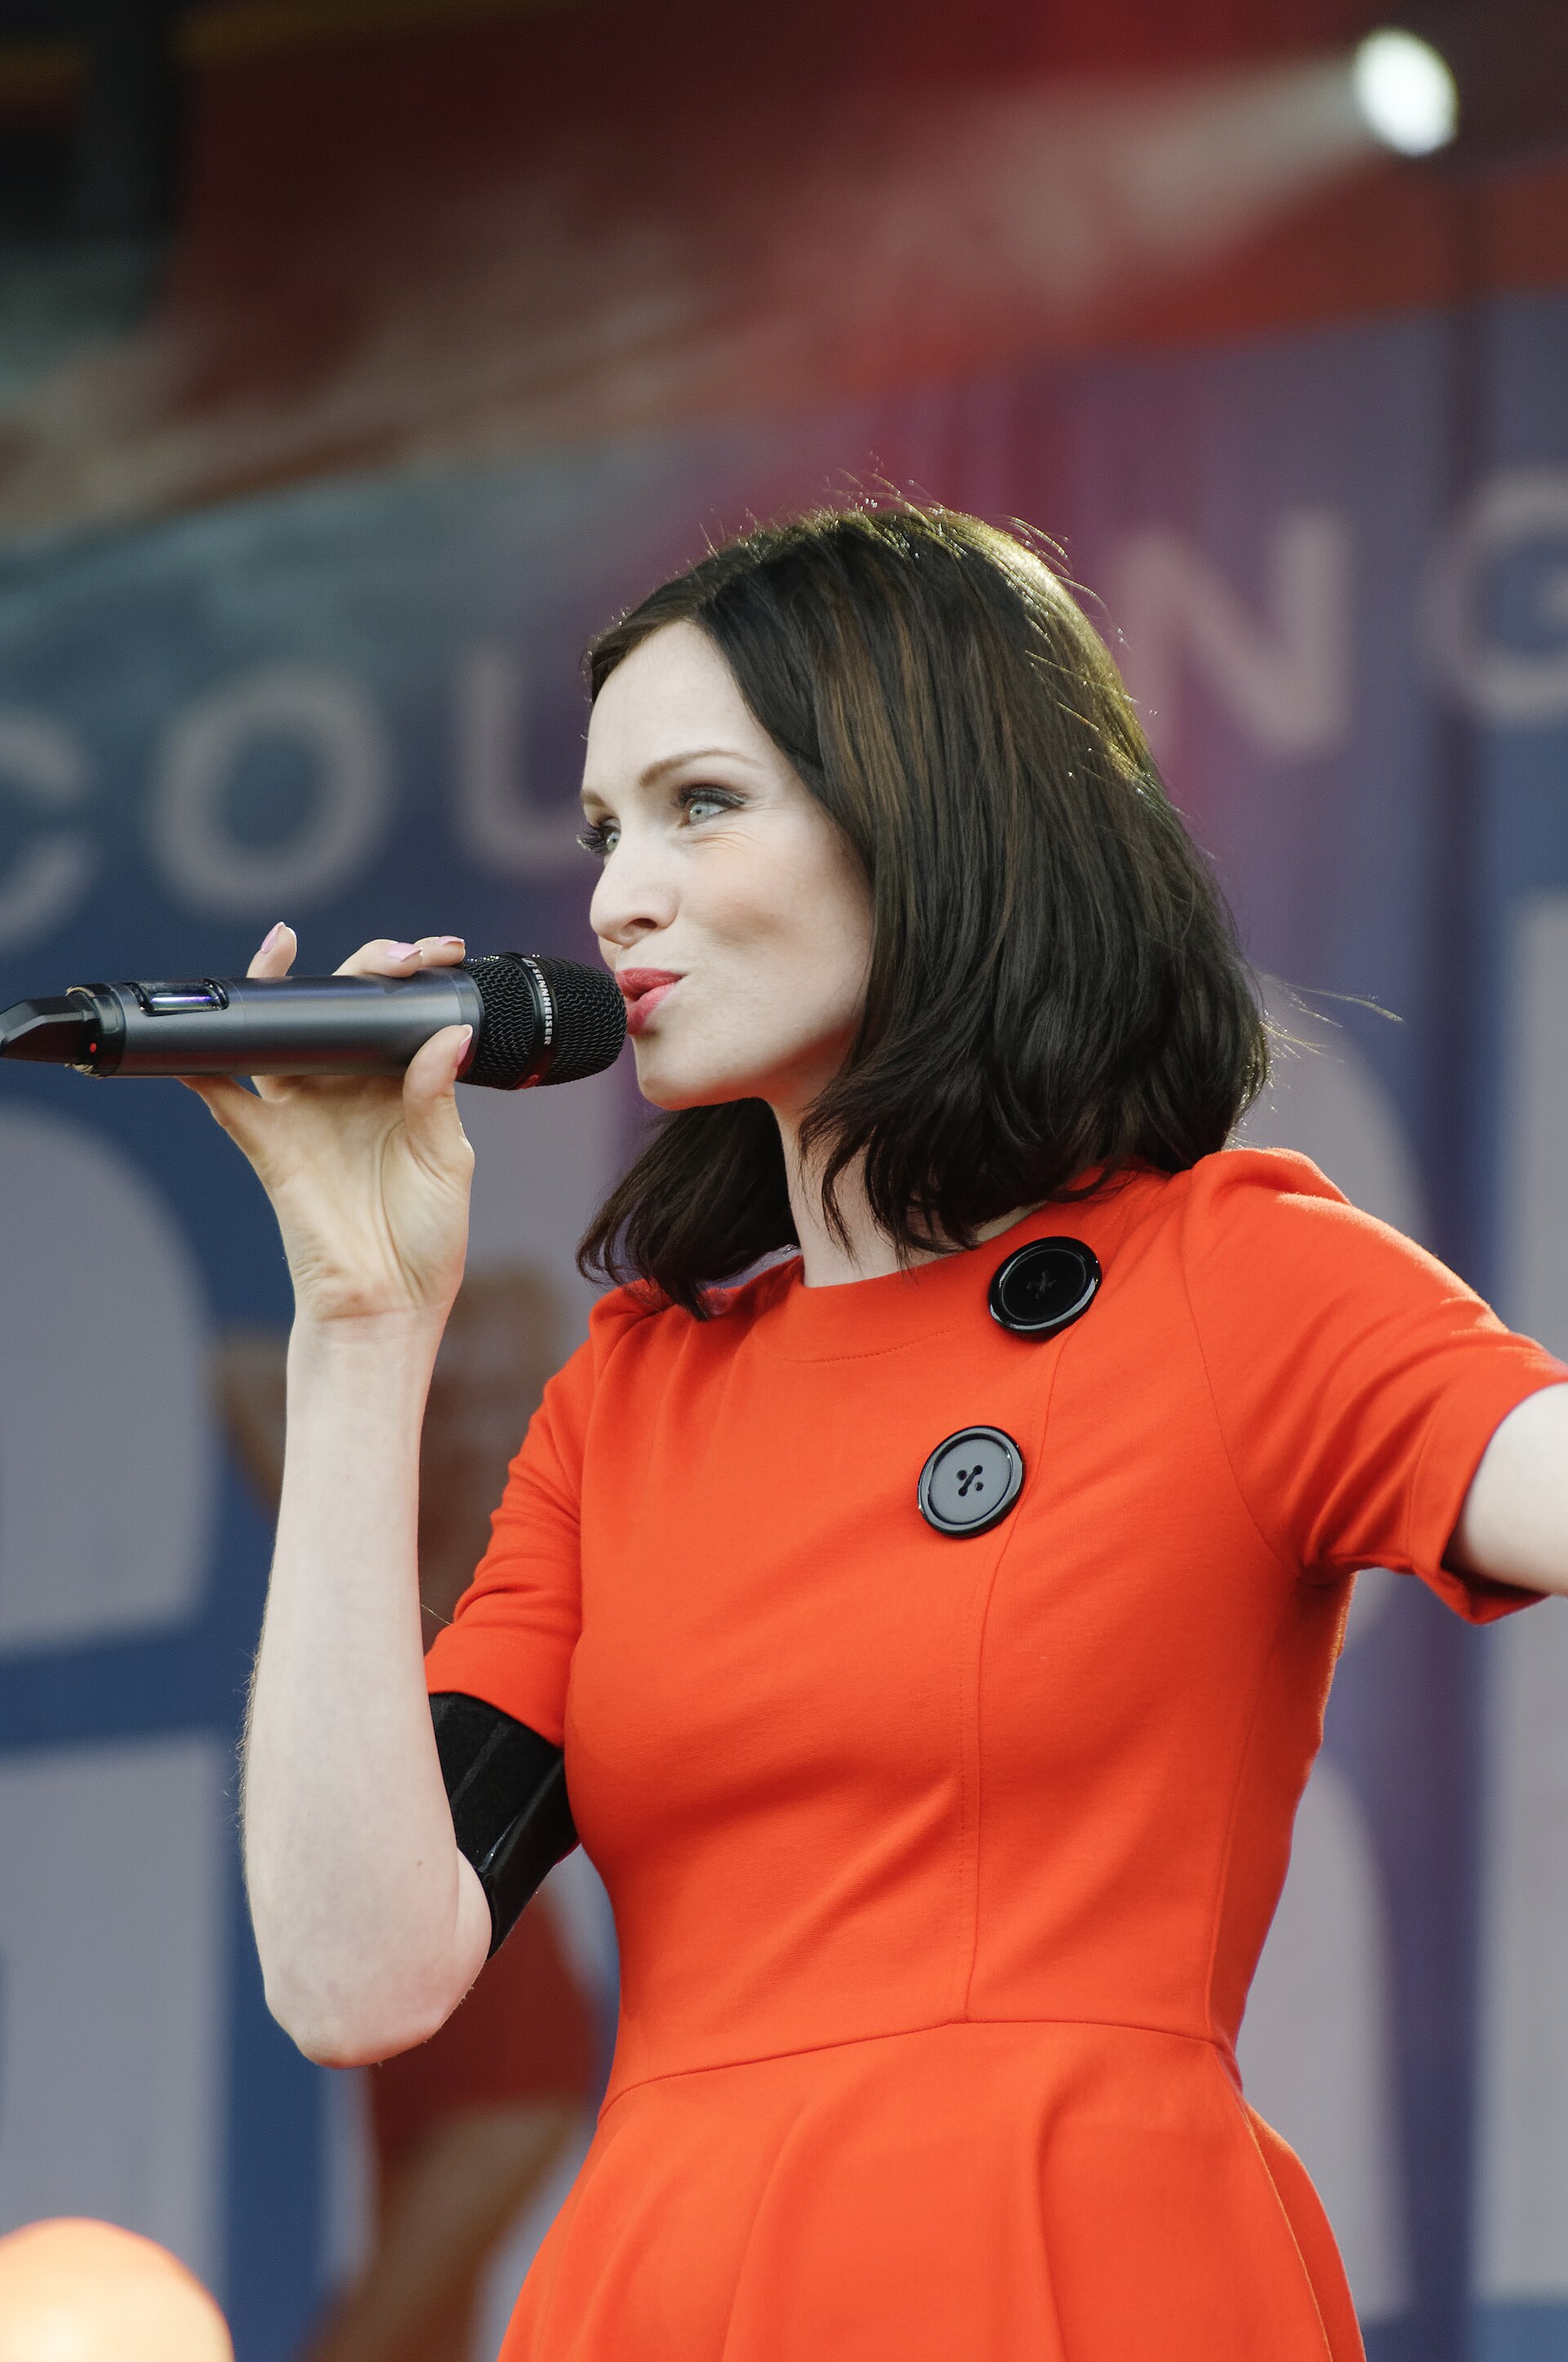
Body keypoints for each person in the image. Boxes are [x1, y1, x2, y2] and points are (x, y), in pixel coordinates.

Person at [189, 503, 1568, 2362]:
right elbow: (359, 1974)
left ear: (926, 816)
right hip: (668, 2289)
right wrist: (363, 1325)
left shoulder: (1236, 1278)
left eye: (698, 804)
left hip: (1076, 2260)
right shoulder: (636, 1395)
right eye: (603, 831)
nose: (614, 896)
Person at [215, 1270, 600, 2362]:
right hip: (409, 2015)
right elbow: (237, 1373)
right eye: (461, 1376)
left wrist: (495, 1350)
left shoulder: (527, 1540)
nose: (480, 1404)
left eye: (500, 1380)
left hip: (504, 2018)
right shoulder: (378, 1545)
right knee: (431, 2336)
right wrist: (392, 1339)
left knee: (375, 2338)